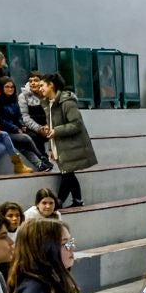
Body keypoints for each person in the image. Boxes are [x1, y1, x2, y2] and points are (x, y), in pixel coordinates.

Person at [34, 74, 97, 207]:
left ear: (51, 85)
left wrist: (56, 131)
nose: (40, 89)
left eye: (42, 85)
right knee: (68, 173)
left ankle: (58, 203)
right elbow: (53, 125)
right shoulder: (48, 103)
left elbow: (76, 124)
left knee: (67, 175)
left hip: (71, 145)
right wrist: (52, 146)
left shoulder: (67, 102)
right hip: (60, 144)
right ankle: (77, 200)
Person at [0, 78, 51, 171]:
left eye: (12, 87)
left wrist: (21, 125)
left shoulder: (14, 100)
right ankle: (42, 157)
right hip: (3, 132)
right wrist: (15, 128)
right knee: (25, 138)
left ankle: (40, 164)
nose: (10, 89)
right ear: (2, 88)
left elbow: (19, 117)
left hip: (15, 131)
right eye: (7, 87)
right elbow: (0, 121)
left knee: (22, 145)